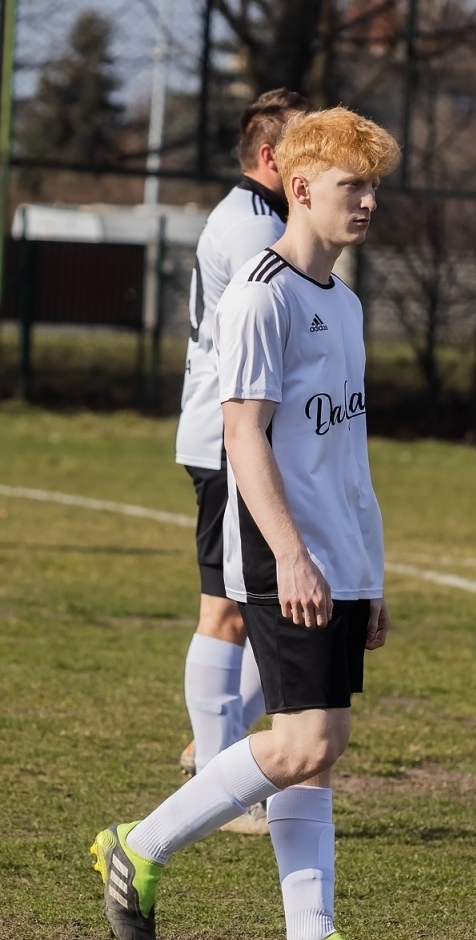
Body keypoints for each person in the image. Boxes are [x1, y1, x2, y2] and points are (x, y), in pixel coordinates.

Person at [92, 107, 429, 940]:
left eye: (374, 187)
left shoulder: (345, 305)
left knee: (319, 747)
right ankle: (138, 844)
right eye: (352, 185)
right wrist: (294, 555)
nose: (367, 202)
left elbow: (346, 457)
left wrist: (371, 572)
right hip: (284, 556)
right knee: (307, 738)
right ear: (301, 185)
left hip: (339, 557)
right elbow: (244, 439)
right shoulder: (261, 292)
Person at [174, 90, 313, 837]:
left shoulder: (247, 215)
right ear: (269, 158)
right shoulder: (257, 228)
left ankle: (214, 747)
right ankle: (220, 772)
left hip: (236, 435)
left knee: (269, 606)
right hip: (230, 438)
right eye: (304, 149)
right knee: (228, 610)